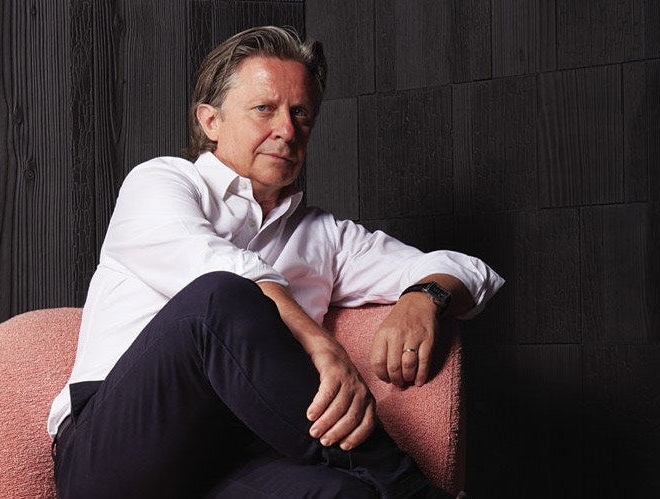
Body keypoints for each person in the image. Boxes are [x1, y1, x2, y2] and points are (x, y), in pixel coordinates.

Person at [49, 26, 504, 499]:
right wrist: (319, 344)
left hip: (230, 458)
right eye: (264, 109)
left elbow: (468, 270)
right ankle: (408, 489)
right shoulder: (161, 182)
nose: (287, 131)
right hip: (112, 452)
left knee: (346, 495)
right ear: (211, 121)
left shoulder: (324, 236)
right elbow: (221, 279)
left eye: (300, 113)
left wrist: (424, 297)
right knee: (219, 298)